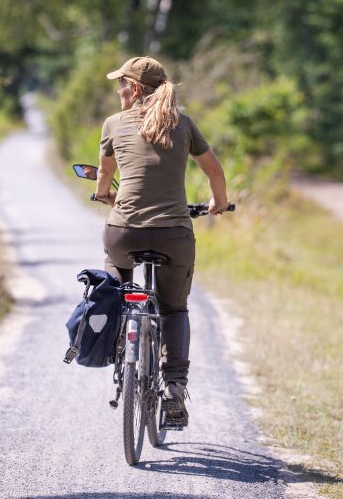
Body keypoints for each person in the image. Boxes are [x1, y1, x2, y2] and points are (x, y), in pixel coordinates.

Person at [94, 55, 229, 428]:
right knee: (173, 309)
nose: (118, 91)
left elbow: (104, 177)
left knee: (115, 278)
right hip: (174, 235)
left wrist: (105, 194)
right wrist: (218, 202)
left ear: (135, 88)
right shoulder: (183, 123)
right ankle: (173, 387)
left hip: (124, 233)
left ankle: (121, 340)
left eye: (121, 84)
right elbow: (214, 170)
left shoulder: (113, 124)